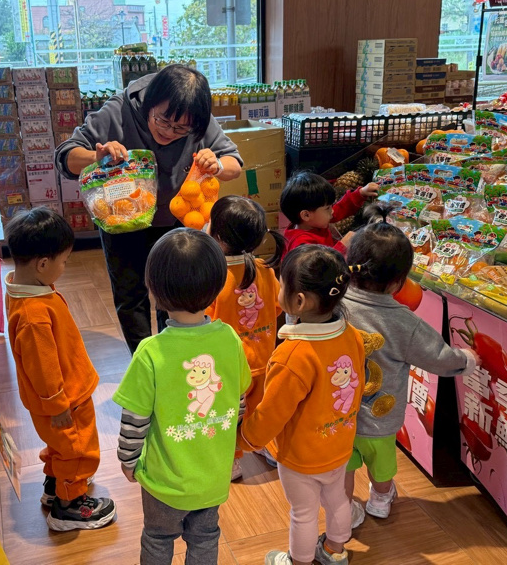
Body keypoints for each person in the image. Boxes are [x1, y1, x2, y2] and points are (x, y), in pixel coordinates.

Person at [56, 64, 244, 354]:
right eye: (162, 121)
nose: (168, 131)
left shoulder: (196, 117)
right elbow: (66, 156)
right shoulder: (118, 111)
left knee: (174, 292)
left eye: (181, 129)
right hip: (122, 221)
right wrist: (96, 156)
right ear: (150, 103)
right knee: (130, 294)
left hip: (176, 220)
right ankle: (142, 359)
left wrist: (216, 164)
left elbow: (234, 163)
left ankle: (171, 357)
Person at [113, 229, 251, 565]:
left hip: (164, 482)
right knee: (205, 537)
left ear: (154, 291)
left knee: (158, 538)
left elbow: (135, 419)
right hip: (213, 475)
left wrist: (128, 460)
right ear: (217, 286)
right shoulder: (229, 338)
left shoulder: (150, 352)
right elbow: (239, 401)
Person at [342, 215, 480, 527]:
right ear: (398, 282)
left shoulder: (335, 304)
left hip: (338, 415)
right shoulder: (403, 321)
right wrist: (466, 360)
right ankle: (380, 500)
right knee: (381, 466)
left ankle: (344, 510)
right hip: (380, 418)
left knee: (343, 468)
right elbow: (438, 357)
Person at [238, 245, 367, 565]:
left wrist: (245, 438)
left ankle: (299, 561)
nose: (278, 290)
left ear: (299, 302)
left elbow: (271, 413)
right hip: (339, 443)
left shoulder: (292, 355)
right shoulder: (352, 335)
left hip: (301, 456)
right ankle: (335, 552)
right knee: (338, 500)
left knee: (304, 513)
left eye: (281, 285)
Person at [3, 207, 116, 531]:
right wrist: (57, 405)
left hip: (60, 397)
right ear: (42, 264)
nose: (65, 267)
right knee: (78, 450)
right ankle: (69, 506)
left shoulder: (24, 290)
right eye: (64, 261)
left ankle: (55, 486)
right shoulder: (34, 314)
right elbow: (43, 366)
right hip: (66, 400)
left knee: (61, 446)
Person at [205, 196, 286, 480]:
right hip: (264, 359)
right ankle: (264, 445)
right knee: (260, 411)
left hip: (228, 366)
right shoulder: (264, 268)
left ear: (216, 235)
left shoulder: (213, 276)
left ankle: (231, 462)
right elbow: (278, 306)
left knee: (228, 414)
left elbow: (207, 320)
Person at [280, 171, 379, 254]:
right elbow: (321, 266)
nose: (332, 210)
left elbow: (340, 209)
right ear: (306, 215)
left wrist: (361, 193)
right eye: (327, 208)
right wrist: (342, 246)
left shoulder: (313, 221)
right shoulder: (301, 245)